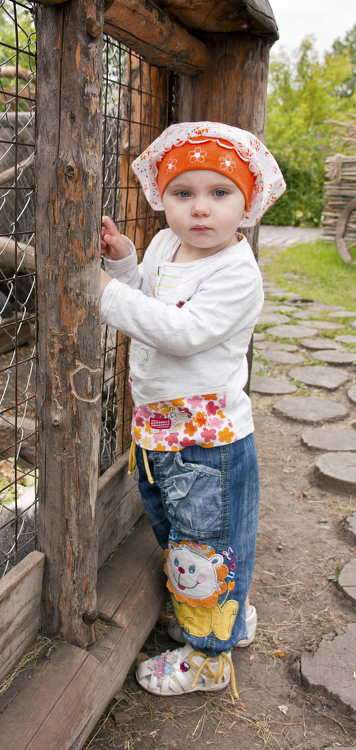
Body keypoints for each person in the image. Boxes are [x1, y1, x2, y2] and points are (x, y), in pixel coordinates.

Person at [100, 121, 286, 698]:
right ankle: (222, 614)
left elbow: (181, 333)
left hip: (208, 443)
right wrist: (124, 265)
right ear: (164, 198)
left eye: (219, 193)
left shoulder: (237, 273)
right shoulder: (163, 244)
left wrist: (100, 294)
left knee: (204, 545)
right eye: (184, 194)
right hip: (160, 432)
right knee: (187, 539)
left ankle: (209, 657)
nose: (200, 209)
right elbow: (149, 297)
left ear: (247, 202)